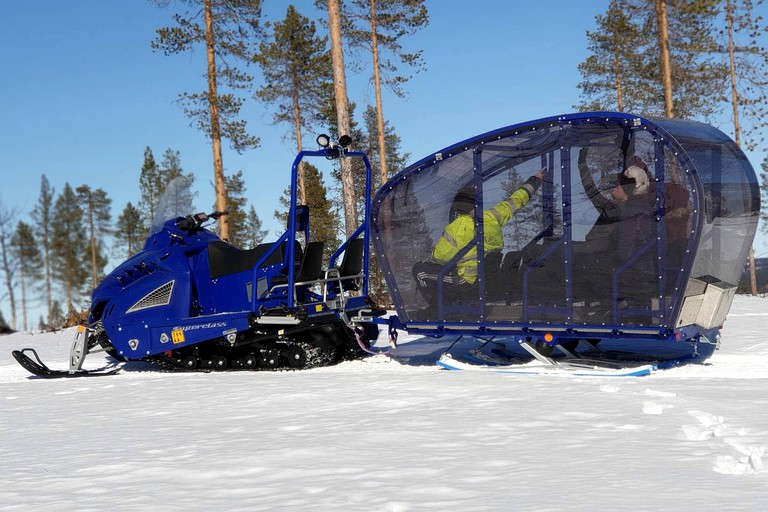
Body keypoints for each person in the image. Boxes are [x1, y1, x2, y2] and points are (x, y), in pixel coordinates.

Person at [413, 168, 545, 306]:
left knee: (419, 271)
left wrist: (427, 261)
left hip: (467, 282)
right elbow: (515, 201)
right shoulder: (491, 217)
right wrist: (534, 181)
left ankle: (438, 311)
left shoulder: (456, 227)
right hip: (488, 281)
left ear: (456, 207)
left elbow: (440, 258)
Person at [576, 147, 657, 307]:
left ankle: (608, 307)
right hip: (633, 270)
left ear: (629, 191)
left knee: (582, 266)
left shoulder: (626, 213)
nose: (616, 187)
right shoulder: (638, 209)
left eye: (621, 185)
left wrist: (581, 164)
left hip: (629, 272)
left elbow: (625, 250)